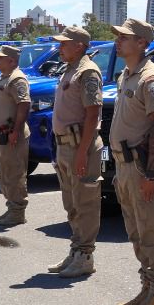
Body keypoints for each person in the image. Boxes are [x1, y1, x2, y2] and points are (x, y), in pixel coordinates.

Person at [108, 19, 154, 305]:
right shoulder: (128, 74)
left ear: (142, 43)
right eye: (118, 36)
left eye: (125, 37)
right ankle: (147, 287)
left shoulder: (151, 78)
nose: (118, 41)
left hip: (143, 167)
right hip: (125, 165)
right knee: (135, 230)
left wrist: (150, 174)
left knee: (151, 231)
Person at [47, 25, 103, 278]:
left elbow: (93, 114)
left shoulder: (88, 72)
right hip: (65, 146)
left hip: (82, 147)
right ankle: (76, 250)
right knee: (71, 203)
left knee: (85, 203)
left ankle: (85, 256)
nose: (60, 47)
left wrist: (82, 151)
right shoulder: (70, 69)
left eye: (64, 43)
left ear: (79, 45)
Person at [0, 44, 32, 227]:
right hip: (3, 134)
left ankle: (17, 212)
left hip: (12, 134)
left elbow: (24, 104)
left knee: (14, 173)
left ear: (11, 60)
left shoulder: (17, 78)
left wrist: (16, 131)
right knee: (5, 172)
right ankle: (12, 208)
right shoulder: (5, 77)